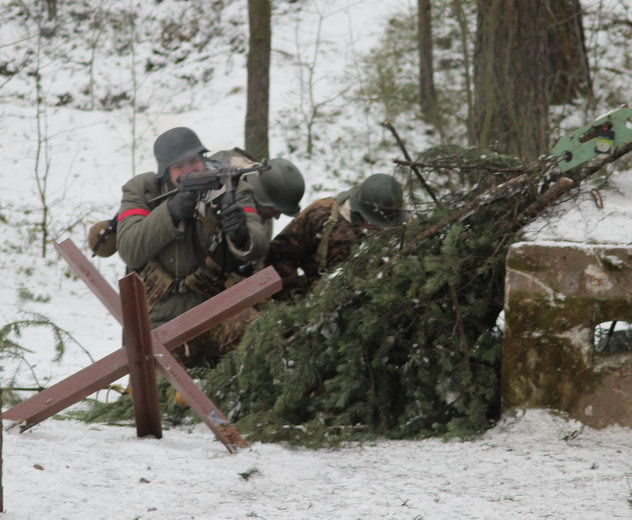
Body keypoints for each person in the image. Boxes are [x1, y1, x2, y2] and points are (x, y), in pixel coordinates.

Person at [116, 127, 304, 366]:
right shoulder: (142, 190)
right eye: (179, 166)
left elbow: (258, 244)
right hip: (159, 322)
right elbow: (130, 249)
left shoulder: (231, 185)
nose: (190, 170)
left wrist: (241, 235)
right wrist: (171, 213)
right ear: (164, 171)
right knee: (161, 385)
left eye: (194, 161)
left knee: (261, 337)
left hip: (214, 311)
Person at [266, 173, 406, 298]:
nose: (380, 228)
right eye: (376, 223)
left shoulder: (398, 227)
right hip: (316, 299)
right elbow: (279, 257)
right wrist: (296, 296)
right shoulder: (322, 216)